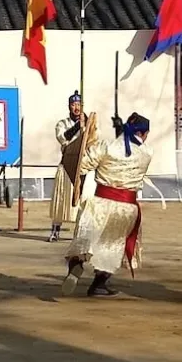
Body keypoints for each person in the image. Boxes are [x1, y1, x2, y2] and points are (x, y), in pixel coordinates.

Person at [62, 112, 153, 297]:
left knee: (84, 240)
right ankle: (99, 284)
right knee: (112, 248)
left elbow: (82, 164)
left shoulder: (106, 146)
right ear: (144, 134)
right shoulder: (147, 154)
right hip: (126, 208)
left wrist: (85, 145)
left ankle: (76, 265)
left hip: (100, 203)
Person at [48, 91, 87, 242]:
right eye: (73, 105)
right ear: (69, 106)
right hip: (67, 163)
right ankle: (55, 230)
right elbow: (63, 137)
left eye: (79, 105)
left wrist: (87, 125)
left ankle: (81, 233)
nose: (76, 108)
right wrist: (78, 126)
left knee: (84, 200)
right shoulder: (62, 123)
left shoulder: (87, 122)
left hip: (83, 164)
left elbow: (94, 138)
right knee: (61, 198)